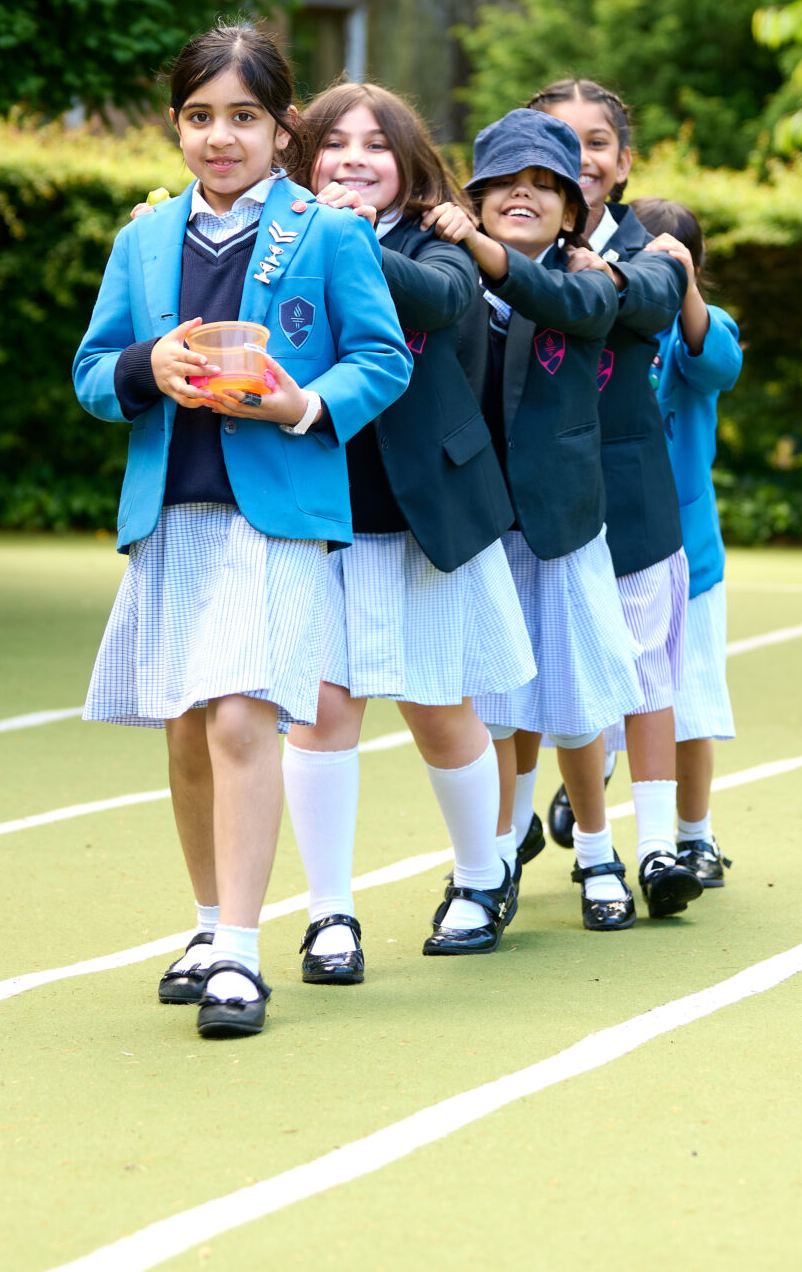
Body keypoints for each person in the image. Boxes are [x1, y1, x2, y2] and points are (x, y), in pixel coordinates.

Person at [72, 25, 411, 1039]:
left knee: (238, 717)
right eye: (201, 117)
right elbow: (95, 373)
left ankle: (240, 955)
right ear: (176, 124)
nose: (222, 138)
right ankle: (205, 921)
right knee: (184, 728)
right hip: (170, 508)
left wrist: (301, 406)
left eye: (245, 118)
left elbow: (381, 360)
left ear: (282, 128)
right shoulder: (141, 240)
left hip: (279, 514)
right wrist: (149, 369)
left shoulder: (327, 233)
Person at [269, 83, 533, 980]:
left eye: (375, 146)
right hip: (317, 515)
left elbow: (432, 302)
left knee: (436, 705)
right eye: (333, 144)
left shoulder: (441, 241)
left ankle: (481, 872)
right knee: (321, 711)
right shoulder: (278, 242)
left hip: (422, 513)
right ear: (302, 160)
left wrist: (347, 238)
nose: (352, 159)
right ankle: (329, 914)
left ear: (410, 164)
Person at [424, 109, 651, 934]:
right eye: (504, 183)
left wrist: (486, 254)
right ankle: (489, 863)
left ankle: (597, 849)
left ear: (572, 208)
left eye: (546, 185)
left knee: (575, 701)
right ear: (472, 197)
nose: (525, 194)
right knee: (493, 702)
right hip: (477, 526)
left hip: (560, 524)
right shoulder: (444, 271)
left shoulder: (587, 277)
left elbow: (565, 301)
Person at [527, 78, 704, 921]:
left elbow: (651, 299)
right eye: (561, 139)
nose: (583, 156)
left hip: (630, 494)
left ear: (624, 162)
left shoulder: (652, 249)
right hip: (532, 496)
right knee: (533, 671)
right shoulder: (506, 240)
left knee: (645, 675)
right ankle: (502, 847)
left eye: (599, 141)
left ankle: (661, 847)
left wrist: (604, 276)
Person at [632, 195, 744, 887]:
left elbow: (716, 367)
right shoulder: (608, 324)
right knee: (604, 691)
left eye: (676, 265)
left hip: (689, 552)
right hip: (614, 540)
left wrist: (688, 293)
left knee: (691, 700)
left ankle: (694, 833)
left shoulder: (700, 332)